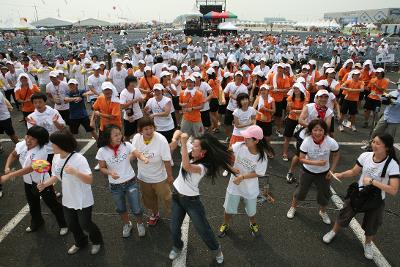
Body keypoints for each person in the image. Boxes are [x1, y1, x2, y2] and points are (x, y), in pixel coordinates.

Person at [323, 134, 399, 260]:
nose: (374, 145)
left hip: (376, 199)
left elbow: (393, 190)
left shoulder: (393, 165)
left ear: (387, 147)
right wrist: (341, 174)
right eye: (373, 142)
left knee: (372, 224)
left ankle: (368, 244)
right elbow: (354, 171)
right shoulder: (366, 156)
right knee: (344, 213)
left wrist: (372, 182)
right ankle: (334, 231)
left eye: (378, 143)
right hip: (358, 194)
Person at [169, 133, 234, 264]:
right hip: (176, 196)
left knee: (203, 230)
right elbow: (177, 131)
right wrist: (176, 138)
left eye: (196, 146)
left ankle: (216, 250)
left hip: (191, 202)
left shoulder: (203, 167)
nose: (193, 146)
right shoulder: (190, 150)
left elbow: (187, 166)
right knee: (174, 227)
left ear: (203, 152)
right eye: (193, 144)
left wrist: (182, 142)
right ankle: (177, 245)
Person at [37, 130, 103, 255]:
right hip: (68, 199)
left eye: (53, 144)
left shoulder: (79, 159)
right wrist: (45, 184)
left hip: (83, 199)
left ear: (61, 144)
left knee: (85, 224)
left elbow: (89, 180)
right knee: (72, 224)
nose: (51, 146)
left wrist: (75, 173)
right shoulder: (56, 157)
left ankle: (97, 241)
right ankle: (80, 242)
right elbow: (56, 175)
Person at [0, 126, 67, 234]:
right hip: (28, 181)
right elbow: (13, 155)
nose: (28, 140)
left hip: (42, 183)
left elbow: (31, 168)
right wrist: (7, 167)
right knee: (33, 204)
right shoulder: (22, 144)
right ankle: (37, 222)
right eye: (27, 136)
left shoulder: (42, 151)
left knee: (52, 204)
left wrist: (9, 175)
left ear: (40, 140)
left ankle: (63, 223)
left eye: (33, 139)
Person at [218, 125, 269, 238]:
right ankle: (225, 224)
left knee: (251, 211)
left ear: (256, 141)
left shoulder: (262, 157)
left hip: (249, 187)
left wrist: (242, 177)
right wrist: (230, 168)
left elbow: (259, 173)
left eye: (248, 138)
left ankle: (253, 223)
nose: (244, 139)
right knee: (228, 208)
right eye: (245, 137)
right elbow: (225, 153)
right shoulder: (239, 146)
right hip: (234, 185)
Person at [286, 120, 340, 224]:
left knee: (324, 194)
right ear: (311, 131)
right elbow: (301, 159)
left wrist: (332, 170)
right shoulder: (307, 141)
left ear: (325, 131)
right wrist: (316, 163)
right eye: (315, 130)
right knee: (300, 191)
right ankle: (293, 207)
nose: (318, 133)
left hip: (324, 173)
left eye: (321, 130)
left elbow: (337, 154)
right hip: (307, 171)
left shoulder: (330, 141)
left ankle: (322, 212)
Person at [96, 125, 145, 237]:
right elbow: (102, 167)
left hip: (131, 182)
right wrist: (110, 173)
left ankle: (140, 223)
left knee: (136, 207)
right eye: (116, 135)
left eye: (120, 134)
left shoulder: (126, 145)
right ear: (108, 137)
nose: (119, 137)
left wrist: (143, 158)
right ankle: (127, 224)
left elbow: (136, 152)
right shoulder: (102, 151)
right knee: (121, 208)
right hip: (115, 186)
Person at [132, 117, 173, 226]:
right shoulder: (136, 138)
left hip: (159, 177)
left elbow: (166, 160)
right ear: (140, 130)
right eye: (146, 129)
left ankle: (175, 215)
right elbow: (133, 153)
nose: (149, 131)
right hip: (143, 177)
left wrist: (170, 176)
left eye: (151, 128)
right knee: (149, 199)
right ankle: (155, 214)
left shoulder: (161, 140)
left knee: (167, 197)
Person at [286, 90, 334, 183]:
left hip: (319, 137)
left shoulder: (329, 111)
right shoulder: (309, 106)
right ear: (316, 98)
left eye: (326, 97)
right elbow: (300, 120)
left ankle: (310, 176)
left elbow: (327, 127)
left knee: (314, 156)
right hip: (305, 136)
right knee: (299, 155)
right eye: (321, 97)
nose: (323, 99)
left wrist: (317, 131)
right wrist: (313, 128)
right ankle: (290, 172)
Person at [282, 83, 307, 161]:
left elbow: (305, 110)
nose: (295, 90)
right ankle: (285, 153)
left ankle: (300, 155)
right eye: (295, 88)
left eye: (297, 88)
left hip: (301, 121)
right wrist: (288, 107)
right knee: (287, 137)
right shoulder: (289, 98)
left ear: (301, 90)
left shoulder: (305, 99)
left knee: (301, 138)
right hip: (291, 119)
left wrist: (295, 111)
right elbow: (288, 110)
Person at [223, 71, 248, 142]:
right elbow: (224, 92)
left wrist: (233, 97)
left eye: (240, 76)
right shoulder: (230, 84)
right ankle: (229, 136)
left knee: (239, 125)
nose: (238, 77)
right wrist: (224, 98)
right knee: (227, 124)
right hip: (230, 108)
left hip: (239, 109)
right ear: (234, 77)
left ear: (242, 78)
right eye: (237, 76)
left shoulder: (244, 88)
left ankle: (239, 138)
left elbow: (245, 100)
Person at [253, 84, 275, 158]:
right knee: (257, 137)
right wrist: (260, 113)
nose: (263, 91)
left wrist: (266, 109)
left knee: (267, 138)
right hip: (259, 120)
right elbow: (253, 108)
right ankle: (257, 151)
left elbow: (274, 110)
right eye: (261, 90)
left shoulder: (271, 99)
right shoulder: (258, 98)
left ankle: (267, 151)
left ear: (268, 91)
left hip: (268, 121)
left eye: (264, 90)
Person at [120, 76, 144, 141]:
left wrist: (141, 100)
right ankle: (126, 148)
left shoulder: (137, 90)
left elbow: (142, 100)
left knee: (140, 133)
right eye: (132, 82)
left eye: (135, 82)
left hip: (139, 115)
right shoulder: (123, 93)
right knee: (127, 135)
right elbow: (122, 106)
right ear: (128, 83)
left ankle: (138, 147)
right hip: (129, 117)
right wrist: (133, 101)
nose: (134, 83)